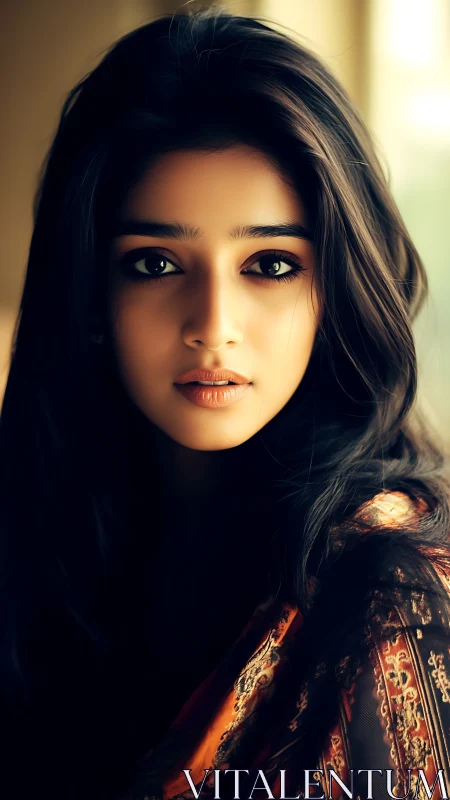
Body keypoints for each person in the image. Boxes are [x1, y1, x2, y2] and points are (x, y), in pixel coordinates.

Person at [0, 7, 449, 800]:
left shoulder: (384, 592)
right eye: (154, 263)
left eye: (270, 264)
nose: (212, 327)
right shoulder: (42, 537)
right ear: (90, 294)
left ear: (336, 288)